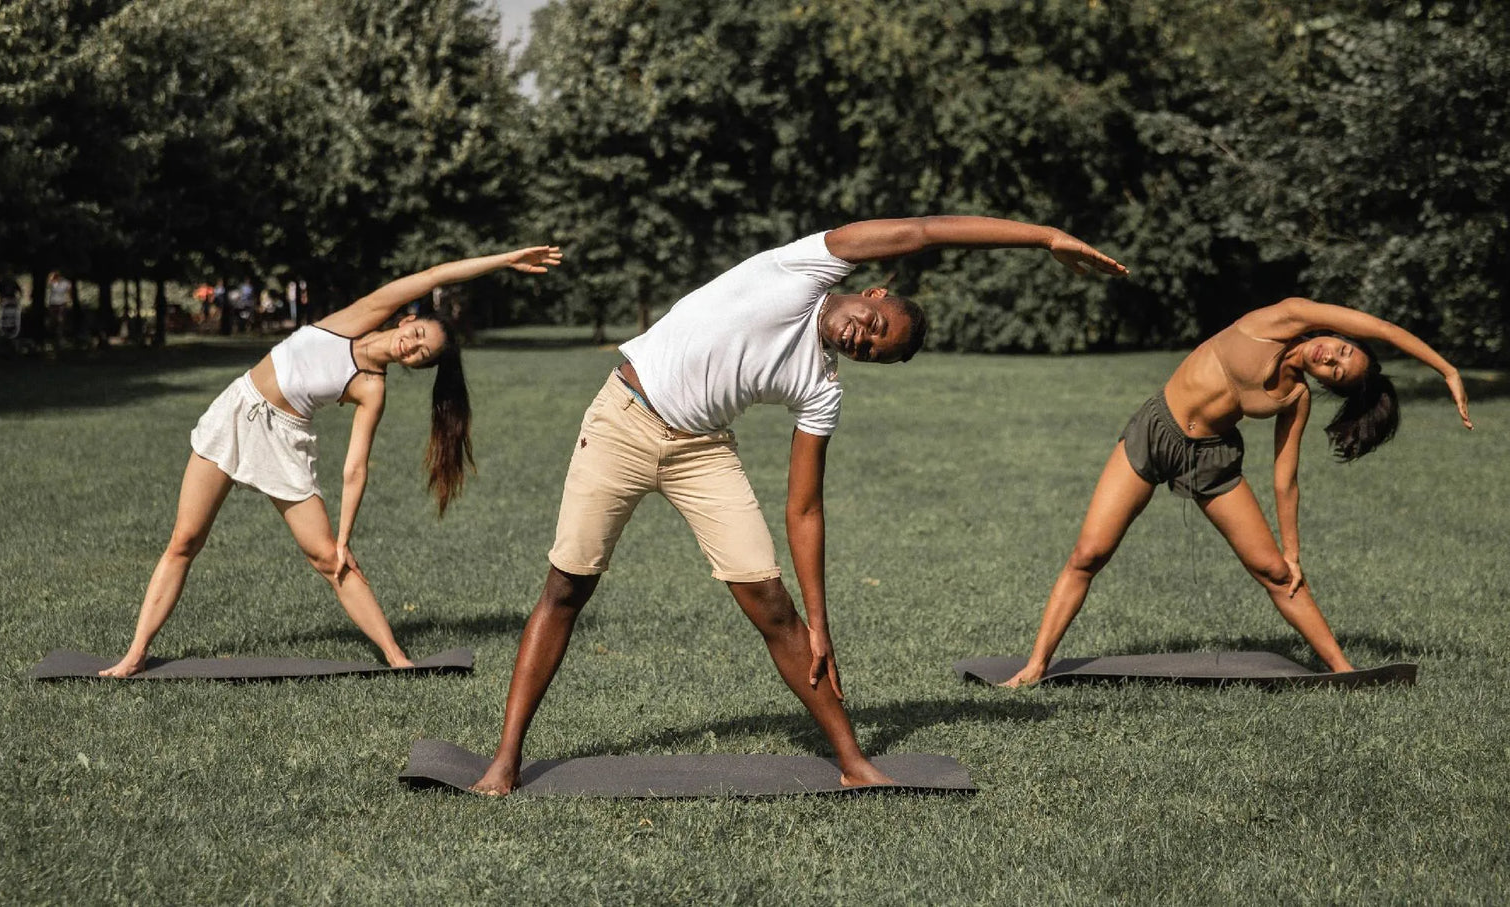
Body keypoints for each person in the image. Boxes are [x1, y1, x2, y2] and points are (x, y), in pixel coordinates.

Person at [470, 216, 1127, 794]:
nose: (863, 337)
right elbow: (924, 230)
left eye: (874, 349)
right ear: (871, 293)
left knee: (775, 608)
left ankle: (852, 760)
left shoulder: (821, 387)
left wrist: (822, 621)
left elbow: (804, 507)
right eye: (875, 324)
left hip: (703, 451)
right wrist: (1043, 236)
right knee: (566, 587)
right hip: (621, 419)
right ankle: (504, 761)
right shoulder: (804, 265)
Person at [99, 246, 562, 677]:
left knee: (329, 559)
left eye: (423, 355)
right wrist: (505, 260)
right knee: (184, 540)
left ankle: (397, 658)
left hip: (284, 441)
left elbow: (356, 467)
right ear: (405, 321)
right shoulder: (358, 317)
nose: (413, 347)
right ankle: (135, 654)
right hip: (236, 412)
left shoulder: (371, 387)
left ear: (416, 367)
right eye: (418, 335)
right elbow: (434, 275)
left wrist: (343, 536)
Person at [1001, 298, 1474, 687]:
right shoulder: (1284, 318)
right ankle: (1037, 665)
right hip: (1156, 430)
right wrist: (1445, 368)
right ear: (1340, 337)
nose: (1331, 359)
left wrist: (1293, 552)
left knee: (1274, 571)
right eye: (1342, 352)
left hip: (1211, 456)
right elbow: (1377, 324)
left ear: (1327, 386)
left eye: (1337, 374)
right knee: (1089, 554)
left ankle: (1342, 671)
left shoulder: (1296, 397)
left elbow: (1285, 478)